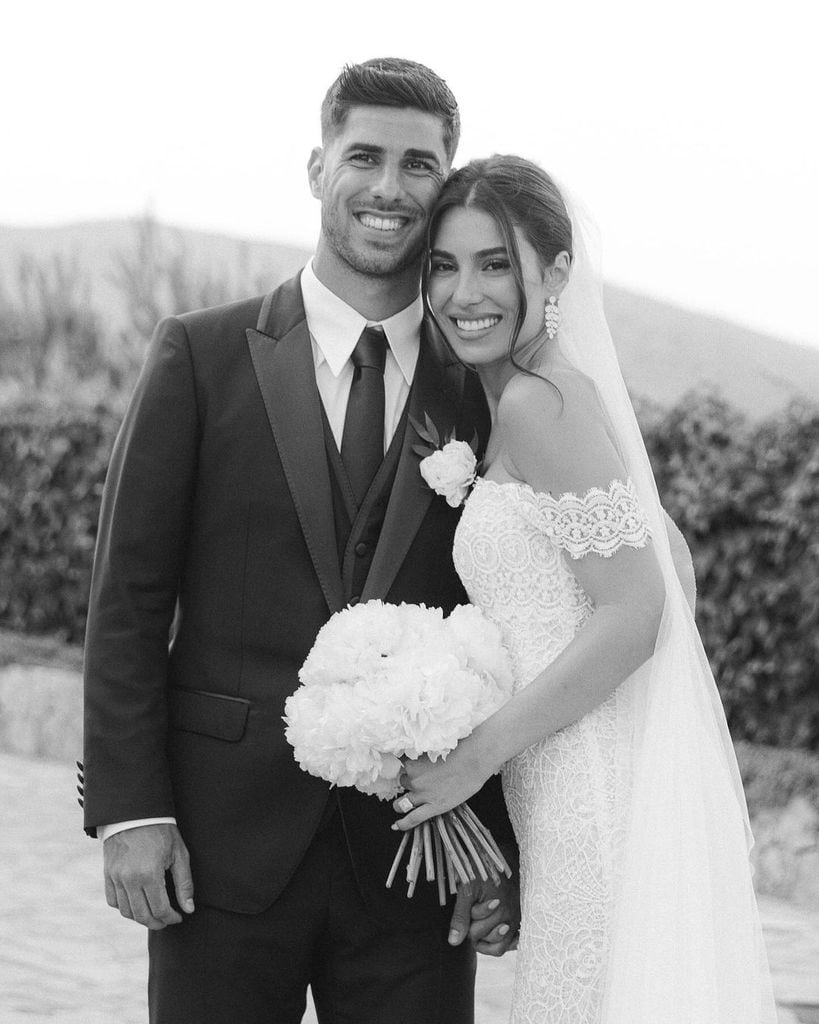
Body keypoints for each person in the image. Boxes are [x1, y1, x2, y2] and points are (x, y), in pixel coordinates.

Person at [80, 60, 518, 1024]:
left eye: (420, 165)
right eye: (364, 155)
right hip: (216, 849)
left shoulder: (488, 389)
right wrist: (130, 810)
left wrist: (502, 846)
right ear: (316, 166)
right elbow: (128, 600)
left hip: (420, 858)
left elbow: (524, 624)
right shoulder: (198, 353)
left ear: (445, 186)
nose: (389, 188)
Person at [393, 155, 778, 1023]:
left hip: (585, 804)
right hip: (573, 795)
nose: (463, 293)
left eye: (495, 263)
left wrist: (470, 759)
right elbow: (671, 572)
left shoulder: (540, 405)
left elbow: (636, 616)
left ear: (557, 271)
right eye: (444, 266)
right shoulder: (552, 400)